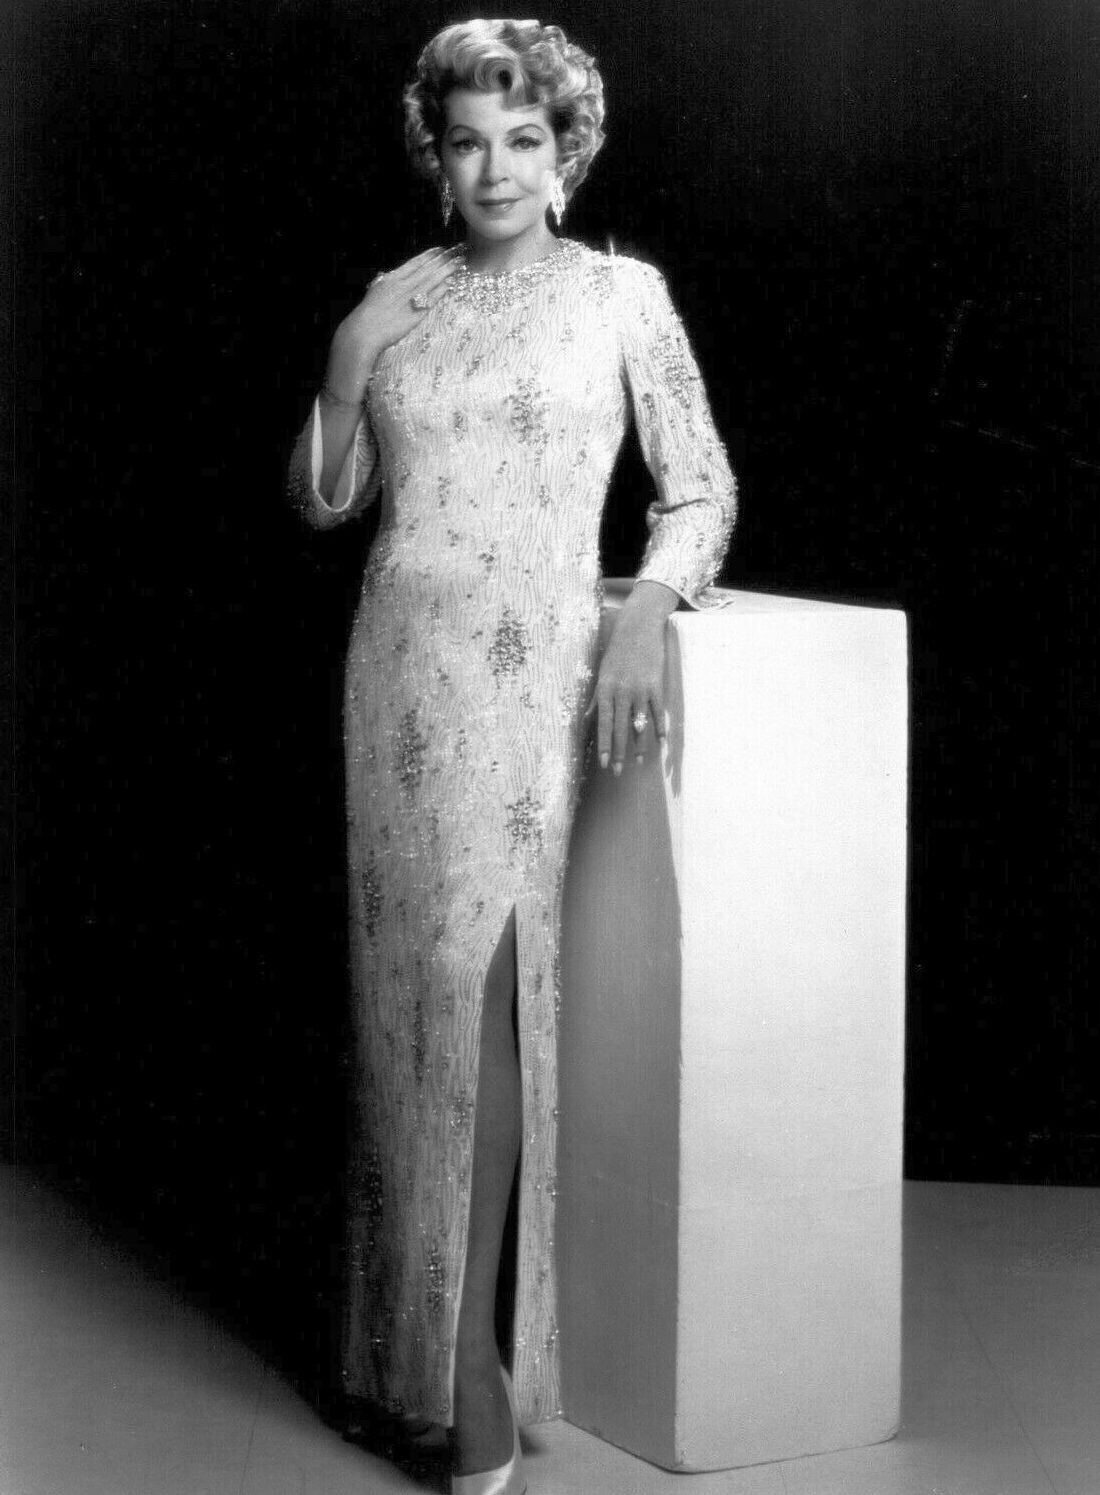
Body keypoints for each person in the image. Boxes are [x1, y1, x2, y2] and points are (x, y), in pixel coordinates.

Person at [286, 18, 737, 1493]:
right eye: (468, 140)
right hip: (392, 678)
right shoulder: (400, 298)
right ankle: (402, 1363)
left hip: (530, 680)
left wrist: (643, 613)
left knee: (484, 1017)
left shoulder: (619, 297)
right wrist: (349, 363)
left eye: (523, 139)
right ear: (438, 153)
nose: (495, 169)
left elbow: (700, 487)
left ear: (566, 151)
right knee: (403, 1026)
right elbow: (326, 502)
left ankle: (475, 1380)